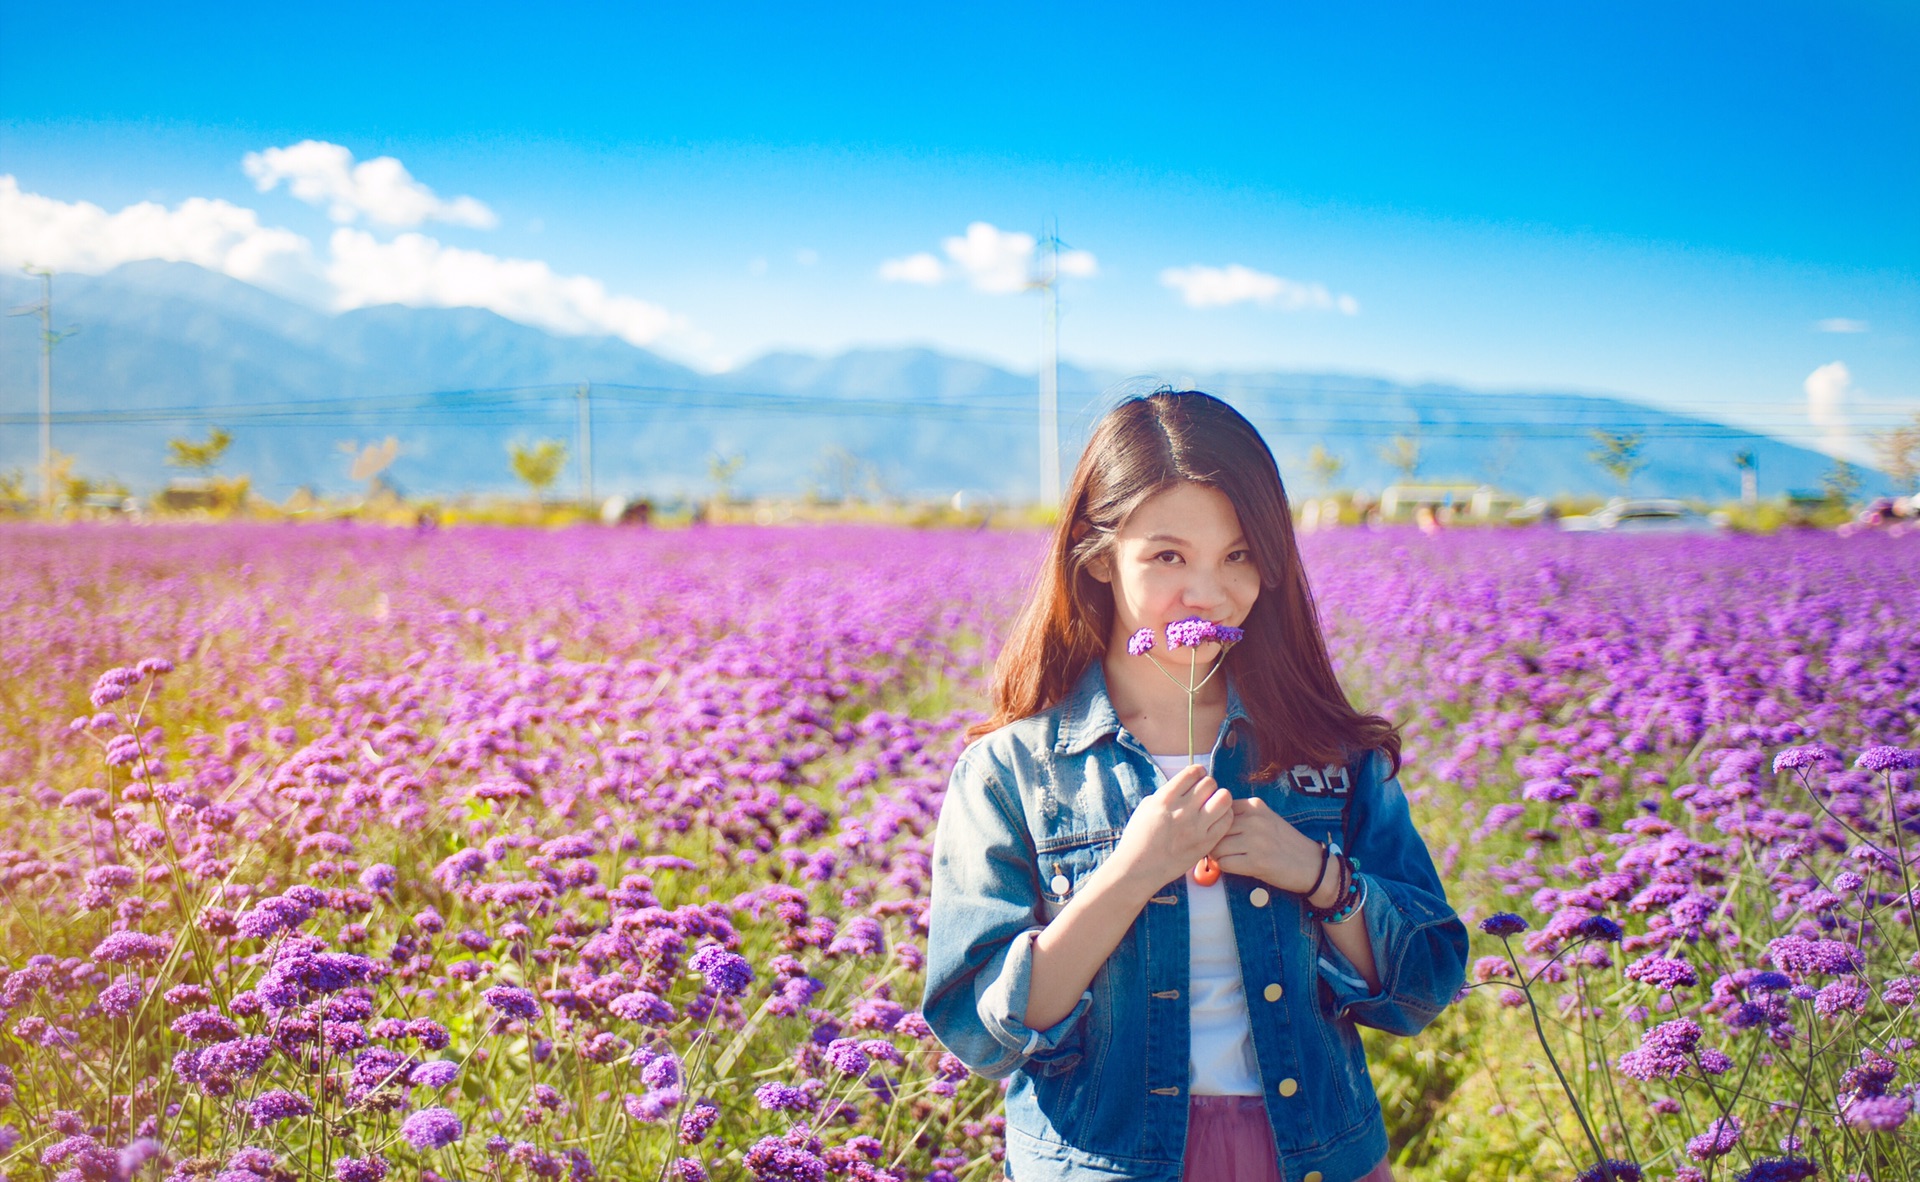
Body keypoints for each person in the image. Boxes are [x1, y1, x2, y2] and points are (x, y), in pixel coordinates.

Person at [923, 391, 1468, 1182]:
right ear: (1100, 556)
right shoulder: (1010, 770)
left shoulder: (1329, 755)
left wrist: (1319, 877)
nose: (1207, 595)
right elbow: (980, 1032)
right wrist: (1132, 872)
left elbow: (1426, 981)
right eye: (1169, 556)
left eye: (1239, 555)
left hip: (1311, 1155)